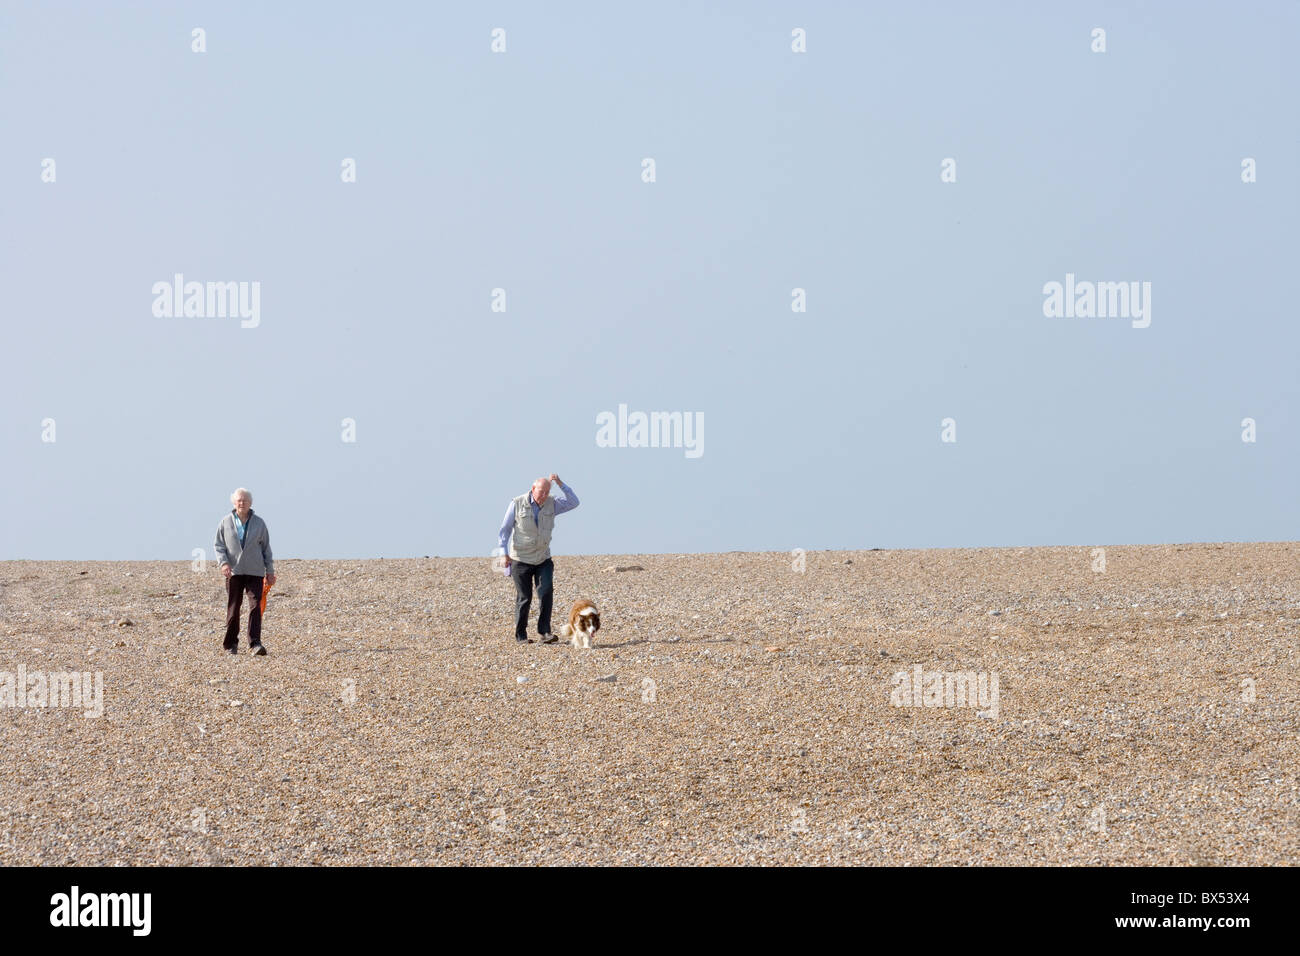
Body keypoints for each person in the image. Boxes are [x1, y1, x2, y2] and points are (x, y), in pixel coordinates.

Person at [497, 473, 579, 644]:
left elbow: (574, 502)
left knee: (546, 591)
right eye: (541, 492)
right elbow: (505, 530)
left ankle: (545, 632)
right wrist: (503, 553)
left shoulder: (553, 503)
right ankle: (521, 636)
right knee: (524, 596)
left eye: (546, 492)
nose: (543, 496)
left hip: (543, 558)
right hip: (520, 558)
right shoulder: (517, 503)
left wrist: (560, 483)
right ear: (533, 489)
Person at [214, 488, 276, 656]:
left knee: (256, 606)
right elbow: (219, 546)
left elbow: (266, 549)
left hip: (255, 571)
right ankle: (231, 644)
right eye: (239, 500)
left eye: (245, 501)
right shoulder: (226, 522)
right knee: (234, 608)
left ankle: (255, 643)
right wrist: (224, 564)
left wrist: (270, 571)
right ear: (234, 503)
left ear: (251, 503)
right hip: (233, 572)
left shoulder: (259, 523)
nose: (242, 503)